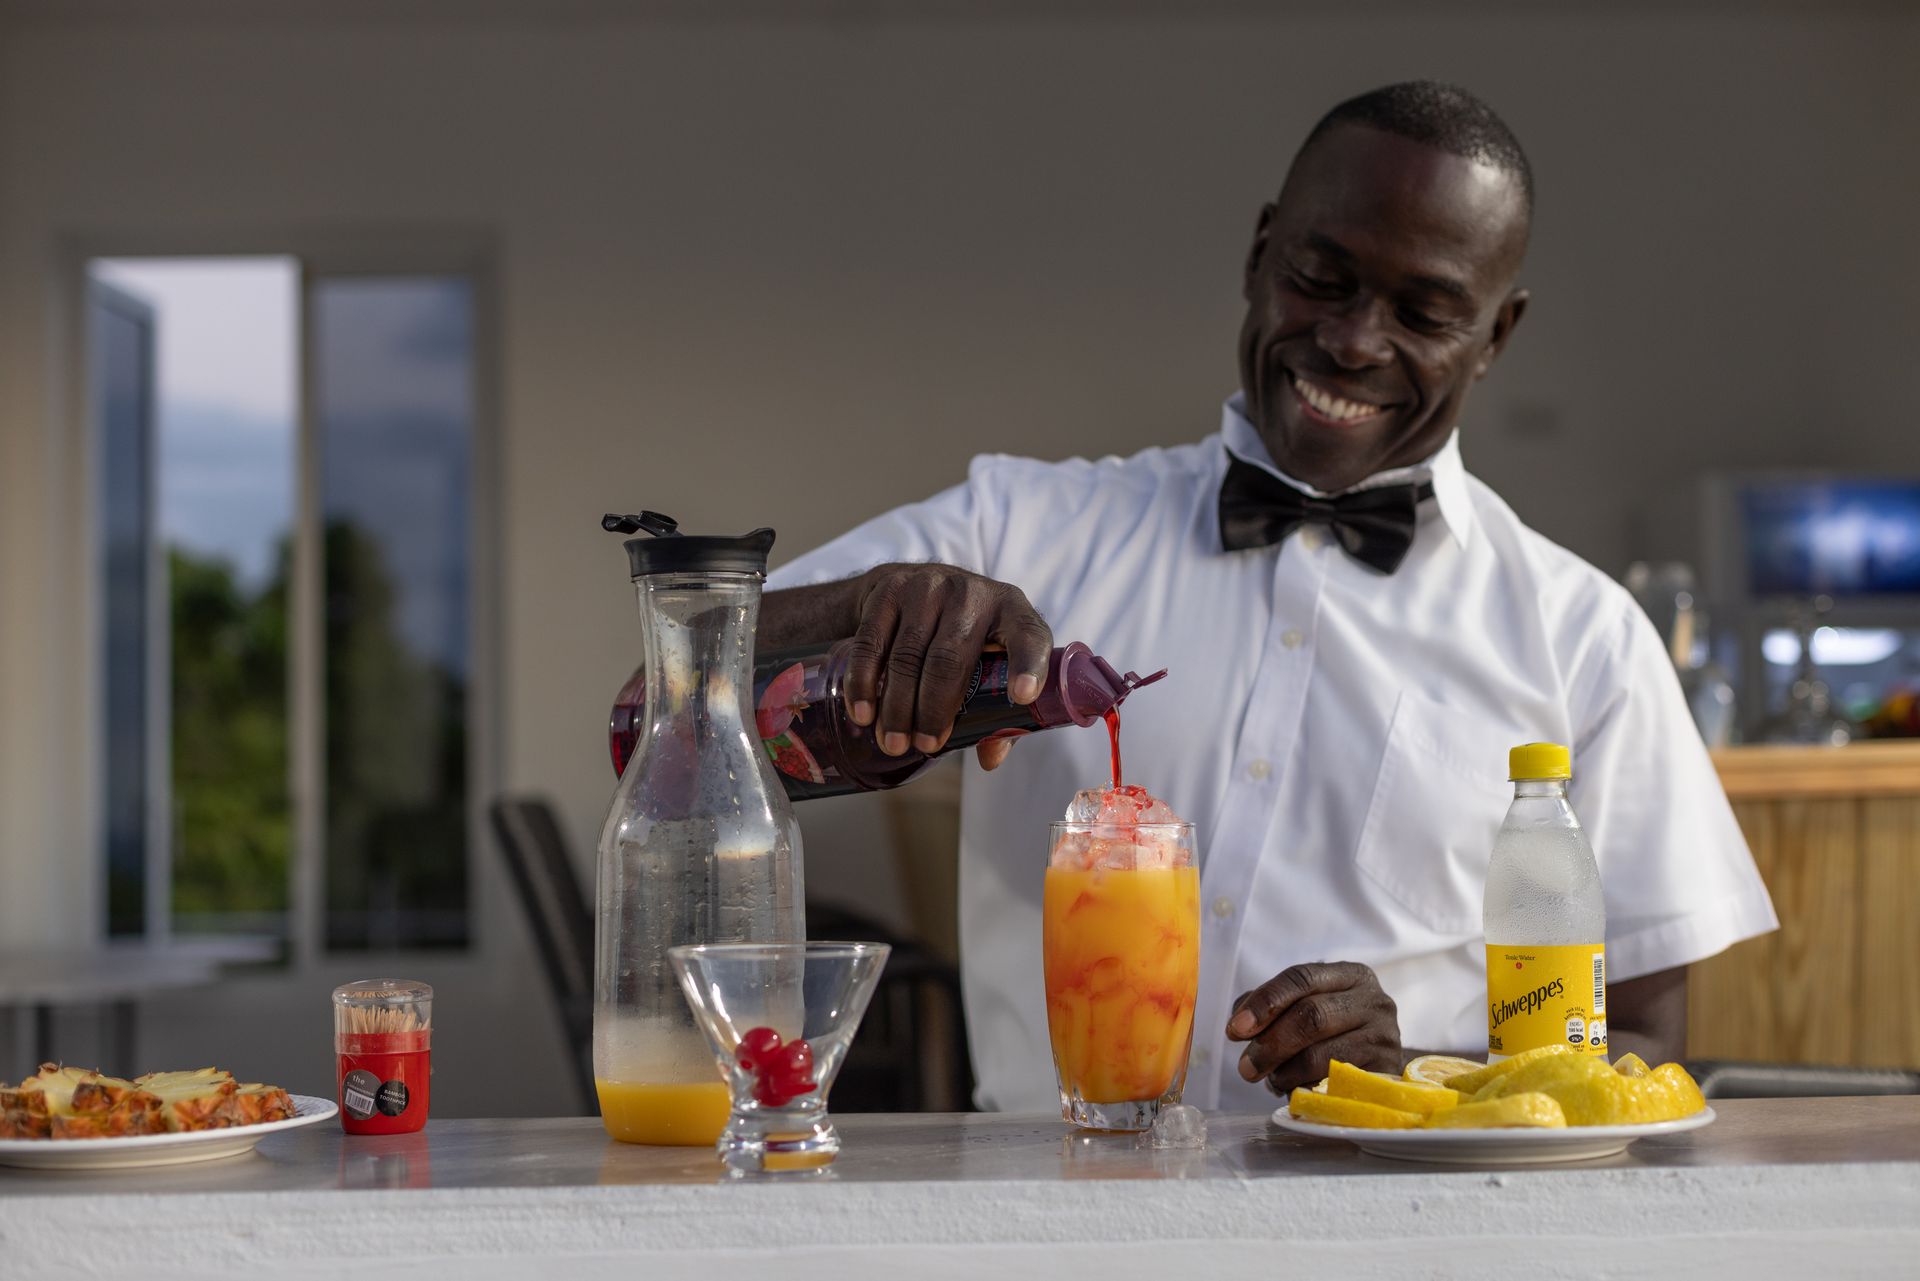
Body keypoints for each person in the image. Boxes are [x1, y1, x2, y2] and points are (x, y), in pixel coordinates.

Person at [758, 81, 1777, 1113]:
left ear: (1496, 336)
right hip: (1054, 1222)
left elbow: (1647, 1046)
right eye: (1321, 278)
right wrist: (875, 609)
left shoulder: (1585, 637)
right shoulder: (1019, 526)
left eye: (1423, 313)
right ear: (1259, 255)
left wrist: (1424, 1078)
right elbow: (670, 691)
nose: (1354, 342)